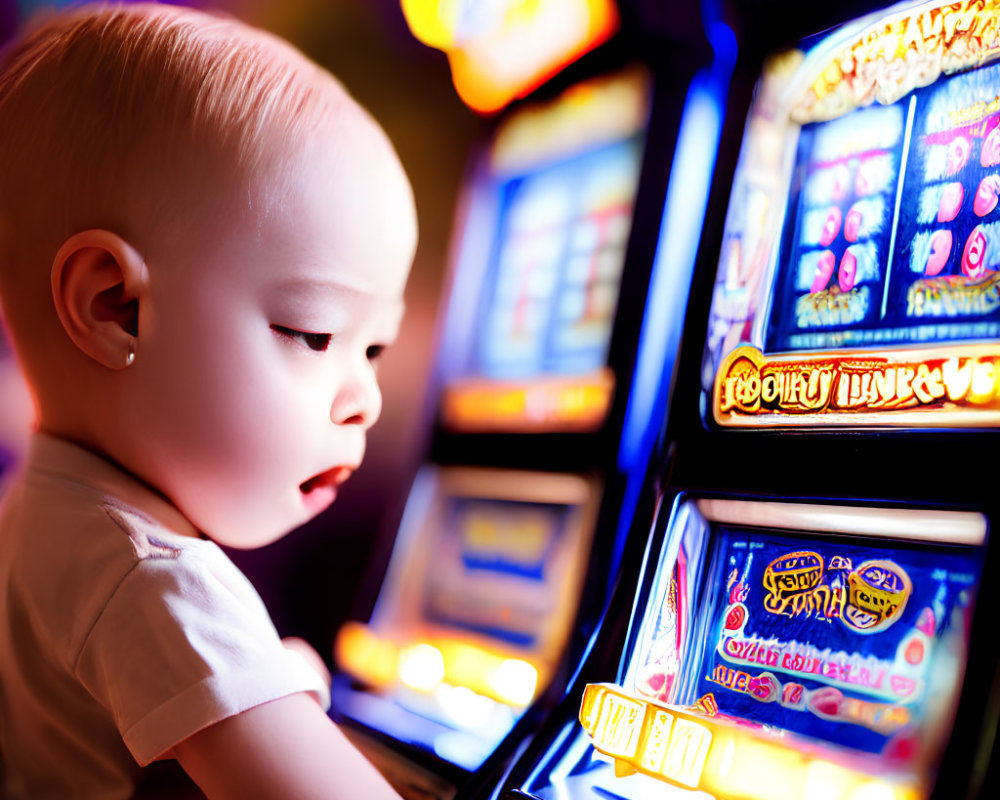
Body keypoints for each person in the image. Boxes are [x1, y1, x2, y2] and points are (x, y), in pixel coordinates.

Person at [0, 2, 415, 798]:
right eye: (314, 334)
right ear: (114, 308)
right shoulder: (156, 582)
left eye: (375, 350)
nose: (364, 400)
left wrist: (260, 687)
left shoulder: (38, 508)